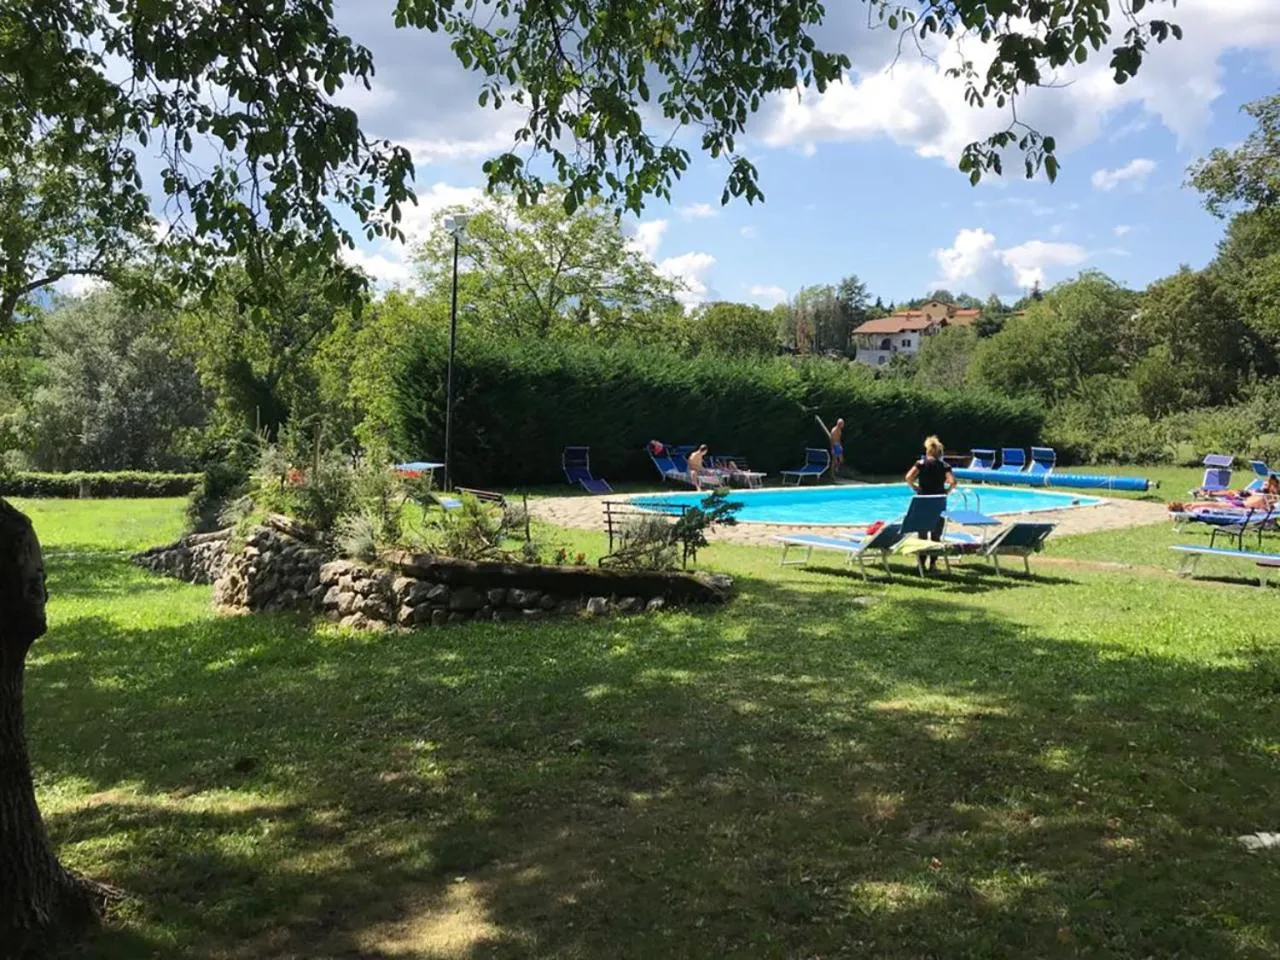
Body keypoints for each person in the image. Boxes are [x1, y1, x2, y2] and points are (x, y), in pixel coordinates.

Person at [904, 435, 956, 570]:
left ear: (928, 450)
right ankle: (933, 564)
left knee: (922, 534)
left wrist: (915, 487)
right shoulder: (944, 466)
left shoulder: (921, 464)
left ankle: (921, 563)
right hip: (938, 502)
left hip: (923, 501)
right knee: (936, 535)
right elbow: (953, 481)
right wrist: (947, 491)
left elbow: (908, 477)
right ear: (939, 452)